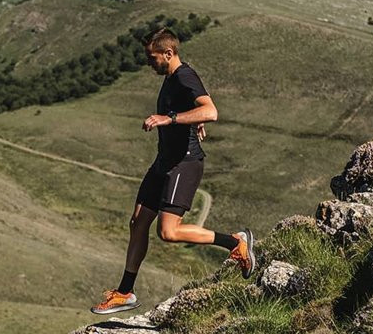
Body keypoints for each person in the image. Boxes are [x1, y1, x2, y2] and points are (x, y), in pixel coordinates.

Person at [92, 27, 255, 315]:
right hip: (164, 161)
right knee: (138, 221)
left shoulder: (184, 75)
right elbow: (196, 106)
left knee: (168, 232)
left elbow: (211, 111)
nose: (148, 63)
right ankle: (125, 292)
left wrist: (171, 119)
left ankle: (236, 242)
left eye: (152, 57)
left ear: (169, 53)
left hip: (184, 163)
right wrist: (189, 119)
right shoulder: (172, 78)